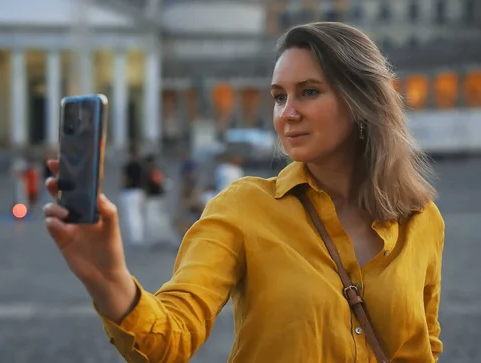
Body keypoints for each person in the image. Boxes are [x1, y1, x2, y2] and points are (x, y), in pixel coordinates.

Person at [42, 22, 444, 362]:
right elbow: (173, 335)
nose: (287, 113)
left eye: (309, 91)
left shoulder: (423, 220)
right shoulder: (243, 208)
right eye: (278, 96)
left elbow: (425, 347)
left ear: (363, 101)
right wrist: (109, 280)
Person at [119, 144, 147, 247]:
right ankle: (139, 237)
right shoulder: (142, 164)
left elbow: (125, 179)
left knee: (131, 215)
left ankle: (134, 238)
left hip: (130, 191)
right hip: (140, 191)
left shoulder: (129, 165)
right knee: (138, 215)